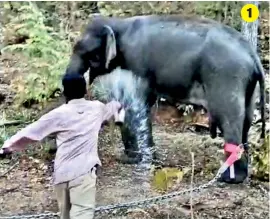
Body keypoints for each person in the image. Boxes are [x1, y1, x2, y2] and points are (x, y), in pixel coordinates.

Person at [0, 73, 124, 219]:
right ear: (85, 91)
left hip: (62, 173)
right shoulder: (97, 108)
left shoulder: (58, 114)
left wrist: (7, 147)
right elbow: (115, 106)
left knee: (65, 215)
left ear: (64, 92)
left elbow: (31, 132)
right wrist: (119, 115)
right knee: (82, 213)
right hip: (84, 173)